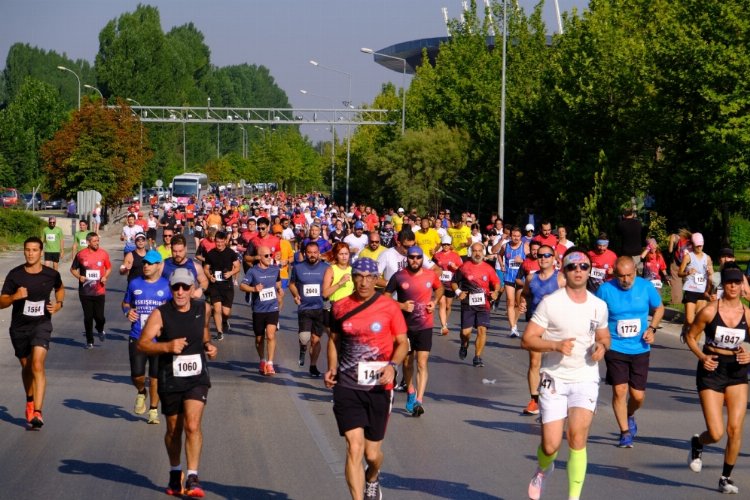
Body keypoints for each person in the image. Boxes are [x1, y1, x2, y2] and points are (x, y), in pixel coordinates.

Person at [521, 248, 610, 500]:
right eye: (573, 267)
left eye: (583, 266)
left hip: (585, 378)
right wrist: (555, 345)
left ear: (589, 270)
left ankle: (573, 497)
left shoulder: (599, 305)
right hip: (554, 379)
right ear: (564, 270)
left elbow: (604, 336)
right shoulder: (552, 303)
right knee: (550, 445)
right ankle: (542, 469)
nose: (578, 271)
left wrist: (601, 346)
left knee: (577, 437)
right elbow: (527, 339)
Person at [324, 257, 408, 500]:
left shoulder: (389, 307)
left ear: (376, 280)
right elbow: (334, 340)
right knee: (354, 448)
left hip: (379, 387)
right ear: (352, 278)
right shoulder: (339, 306)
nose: (363, 282)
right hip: (347, 385)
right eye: (358, 276)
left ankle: (373, 475)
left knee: (372, 455)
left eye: (368, 277)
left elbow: (402, 343)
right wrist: (331, 367)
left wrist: (393, 366)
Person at [137, 268, 217, 497]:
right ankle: (175, 472)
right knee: (174, 430)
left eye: (185, 287)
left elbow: (203, 332)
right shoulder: (160, 314)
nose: (180, 292)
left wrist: (208, 345)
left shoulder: (204, 308)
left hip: (197, 377)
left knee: (192, 425)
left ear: (193, 289)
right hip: (169, 378)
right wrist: (166, 347)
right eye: (176, 287)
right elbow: (142, 344)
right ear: (170, 288)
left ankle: (192, 476)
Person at [685, 264, 750, 494]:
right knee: (716, 432)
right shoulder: (710, 311)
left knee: (735, 429)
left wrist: (748, 353)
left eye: (737, 282)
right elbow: (690, 336)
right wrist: (702, 357)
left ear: (743, 285)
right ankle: (698, 443)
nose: (733, 286)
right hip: (711, 369)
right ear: (724, 285)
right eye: (729, 282)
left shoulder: (748, 314)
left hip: (737, 371)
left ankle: (725, 478)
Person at [595, 256, 664, 448]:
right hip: (615, 347)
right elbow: (594, 316)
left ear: (635, 271)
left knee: (638, 396)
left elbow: (659, 308)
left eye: (629, 275)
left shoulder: (645, 287)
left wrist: (652, 329)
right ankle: (625, 432)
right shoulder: (605, 290)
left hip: (640, 348)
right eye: (621, 276)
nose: (625, 280)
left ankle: (630, 414)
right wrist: (599, 340)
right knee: (620, 390)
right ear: (614, 274)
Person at [0, 236, 64, 429]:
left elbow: (60, 289)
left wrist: (59, 304)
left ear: (41, 252)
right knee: (27, 366)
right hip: (19, 328)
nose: (30, 253)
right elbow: (1, 302)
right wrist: (14, 296)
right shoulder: (15, 275)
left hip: (41, 324)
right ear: (24, 251)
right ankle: (29, 399)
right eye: (27, 249)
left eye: (35, 250)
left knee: (37, 364)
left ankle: (38, 411)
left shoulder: (51, 274)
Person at [385, 246, 443, 416]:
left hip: (425, 325)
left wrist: (435, 300)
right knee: (407, 363)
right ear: (407, 258)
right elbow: (386, 298)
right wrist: (402, 305)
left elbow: (439, 288)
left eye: (418, 257)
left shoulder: (430, 275)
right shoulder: (399, 276)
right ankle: (410, 390)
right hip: (405, 327)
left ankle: (419, 400)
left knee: (422, 362)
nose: (415, 260)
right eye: (412, 257)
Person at [122, 249, 171, 424]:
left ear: (159, 265)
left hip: (158, 340)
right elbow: (126, 303)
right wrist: (128, 312)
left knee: (155, 377)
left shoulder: (167, 286)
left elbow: (174, 309)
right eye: (144, 263)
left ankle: (153, 411)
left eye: (150, 263)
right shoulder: (135, 283)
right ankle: (141, 391)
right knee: (137, 375)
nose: (146, 266)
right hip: (138, 336)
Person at [518, 245, 565, 416]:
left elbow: (572, 300)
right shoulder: (531, 278)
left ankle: (559, 397)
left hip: (556, 326)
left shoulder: (561, 279)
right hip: (536, 324)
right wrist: (523, 303)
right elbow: (525, 294)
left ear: (554, 258)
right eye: (540, 255)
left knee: (557, 364)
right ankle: (534, 401)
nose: (543, 258)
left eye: (547, 255)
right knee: (535, 362)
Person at [451, 242, 502, 367]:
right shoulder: (464, 267)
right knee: (465, 333)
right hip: (468, 303)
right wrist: (458, 292)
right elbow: (454, 282)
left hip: (484, 305)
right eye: (475, 251)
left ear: (483, 252)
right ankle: (464, 344)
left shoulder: (488, 268)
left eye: (480, 251)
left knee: (482, 330)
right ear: (471, 252)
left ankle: (477, 357)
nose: (477, 253)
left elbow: (496, 283)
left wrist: (495, 292)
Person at [240, 245, 284, 375]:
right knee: (259, 338)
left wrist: (280, 290)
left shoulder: (275, 270)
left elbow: (278, 284)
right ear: (259, 257)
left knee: (270, 335)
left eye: (270, 255)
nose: (269, 258)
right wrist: (254, 289)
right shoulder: (253, 271)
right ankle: (262, 360)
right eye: (266, 256)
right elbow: (242, 286)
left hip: (272, 307)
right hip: (259, 309)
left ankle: (270, 363)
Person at [289, 241, 330, 377]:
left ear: (319, 253)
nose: (312, 255)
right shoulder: (298, 267)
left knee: (315, 339)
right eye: (309, 252)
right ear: (305, 253)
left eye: (315, 252)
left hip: (321, 307)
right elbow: (292, 284)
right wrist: (296, 295)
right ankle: (302, 349)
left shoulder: (326, 268)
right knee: (305, 337)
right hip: (305, 308)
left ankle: (313, 366)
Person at [70, 232, 112, 349]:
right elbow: (73, 269)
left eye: (98, 240)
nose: (97, 243)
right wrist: (79, 277)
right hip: (85, 291)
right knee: (88, 317)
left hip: (99, 290)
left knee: (100, 317)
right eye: (94, 241)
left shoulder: (103, 253)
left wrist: (105, 277)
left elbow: (109, 268)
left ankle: (100, 328)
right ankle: (90, 340)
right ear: (88, 242)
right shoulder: (81, 254)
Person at [203, 230, 240, 341]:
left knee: (226, 311)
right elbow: (205, 268)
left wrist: (230, 273)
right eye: (217, 242)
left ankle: (224, 321)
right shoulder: (211, 254)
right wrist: (210, 277)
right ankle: (219, 332)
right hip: (215, 285)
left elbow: (237, 267)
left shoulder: (231, 253)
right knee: (217, 309)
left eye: (221, 242)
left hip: (227, 286)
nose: (219, 244)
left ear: (225, 241)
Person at [679, 232, 712, 341]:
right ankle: (685, 327)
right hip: (690, 290)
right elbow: (680, 273)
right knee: (690, 320)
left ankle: (694, 344)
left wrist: (710, 272)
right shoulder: (688, 257)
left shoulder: (707, 258)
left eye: (701, 245)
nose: (699, 247)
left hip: (702, 291)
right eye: (697, 245)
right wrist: (687, 273)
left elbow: (711, 275)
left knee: (700, 321)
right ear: (692, 244)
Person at [495, 226, 526, 338]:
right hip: (509, 277)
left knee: (518, 303)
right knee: (510, 301)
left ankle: (515, 324)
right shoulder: (506, 246)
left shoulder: (525, 247)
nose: (516, 238)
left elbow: (531, 260)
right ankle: (512, 328)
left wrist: (522, 261)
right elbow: (499, 254)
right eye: (514, 236)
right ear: (510, 236)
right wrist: (502, 265)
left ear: (521, 236)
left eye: (518, 236)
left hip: (521, 279)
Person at [162, 234, 209, 299]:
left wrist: (200, 290)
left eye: (180, 251)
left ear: (186, 249)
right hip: (168, 303)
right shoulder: (163, 265)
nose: (177, 254)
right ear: (171, 249)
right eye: (174, 251)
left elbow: (204, 281)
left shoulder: (195, 266)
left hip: (188, 304)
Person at [433, 234, 463, 335]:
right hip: (440, 283)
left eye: (447, 245)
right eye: (444, 244)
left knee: (448, 305)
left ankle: (445, 320)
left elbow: (461, 268)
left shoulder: (455, 255)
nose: (445, 246)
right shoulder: (437, 255)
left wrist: (455, 267)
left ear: (450, 245)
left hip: (451, 283)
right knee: (442, 303)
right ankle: (443, 325)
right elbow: (433, 267)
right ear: (441, 244)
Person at [667, 228, 692, 305]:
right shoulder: (691, 239)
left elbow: (670, 250)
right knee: (689, 279)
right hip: (688, 262)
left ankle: (676, 300)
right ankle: (689, 299)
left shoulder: (675, 237)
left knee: (676, 280)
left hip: (676, 262)